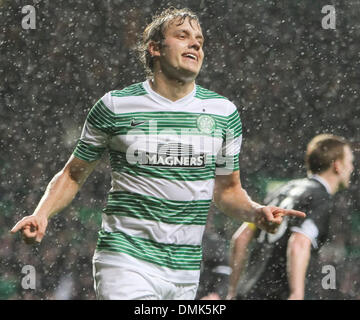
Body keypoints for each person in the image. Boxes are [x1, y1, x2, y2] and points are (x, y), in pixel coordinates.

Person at [10, 7, 305, 300]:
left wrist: (255, 212)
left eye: (199, 40)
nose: (195, 44)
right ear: (155, 48)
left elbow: (228, 191)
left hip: (185, 270)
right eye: (183, 35)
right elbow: (73, 174)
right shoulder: (115, 106)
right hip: (125, 260)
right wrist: (42, 213)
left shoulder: (223, 113)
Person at [226, 134, 354, 300]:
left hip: (248, 292)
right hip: (277, 294)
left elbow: (241, 238)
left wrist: (233, 291)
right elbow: (298, 243)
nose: (352, 167)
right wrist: (296, 294)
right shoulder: (320, 198)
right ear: (337, 165)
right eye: (350, 161)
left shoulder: (283, 189)